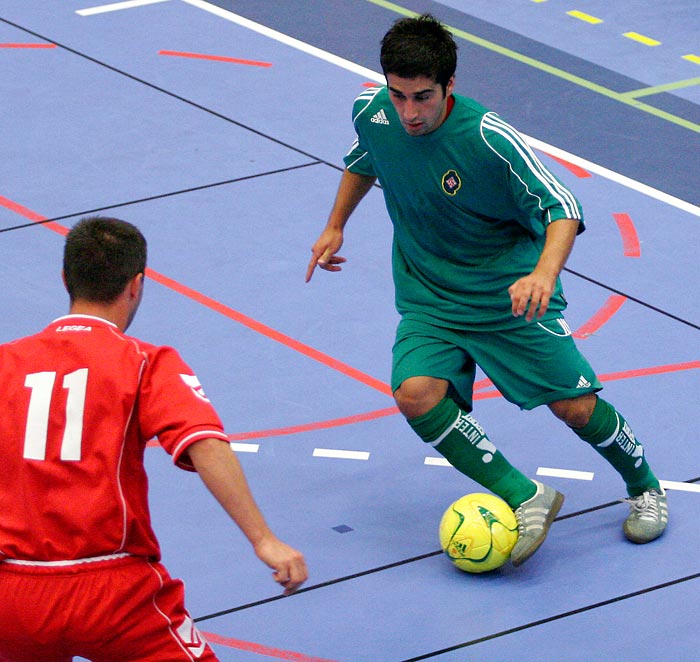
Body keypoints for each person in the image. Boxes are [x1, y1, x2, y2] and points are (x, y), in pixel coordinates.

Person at [306, 14, 667, 567]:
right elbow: (366, 159)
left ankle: (645, 487)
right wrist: (336, 224)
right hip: (430, 296)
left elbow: (562, 208)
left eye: (422, 97)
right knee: (416, 393)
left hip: (507, 296)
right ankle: (528, 496)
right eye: (398, 95)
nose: (409, 112)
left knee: (574, 407)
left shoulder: (487, 137)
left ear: (450, 86)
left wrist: (543, 274)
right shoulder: (372, 113)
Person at [0, 216, 308, 661]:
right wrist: (263, 539)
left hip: (14, 594)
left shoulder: (7, 362)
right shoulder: (145, 362)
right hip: (112, 592)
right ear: (137, 285)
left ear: (66, 278)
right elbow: (204, 442)